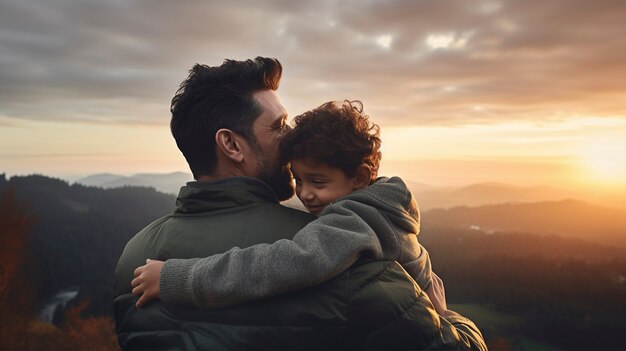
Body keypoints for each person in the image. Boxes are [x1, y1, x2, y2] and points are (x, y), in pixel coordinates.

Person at [113, 57, 487, 350]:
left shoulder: (136, 256)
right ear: (231, 145)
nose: (292, 138)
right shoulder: (354, 264)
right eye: (278, 126)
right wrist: (447, 314)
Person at [131, 100, 447, 317]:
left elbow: (276, 266)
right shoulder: (380, 208)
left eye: (318, 182)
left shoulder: (354, 221)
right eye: (299, 179)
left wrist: (177, 279)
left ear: (360, 177)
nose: (305, 194)